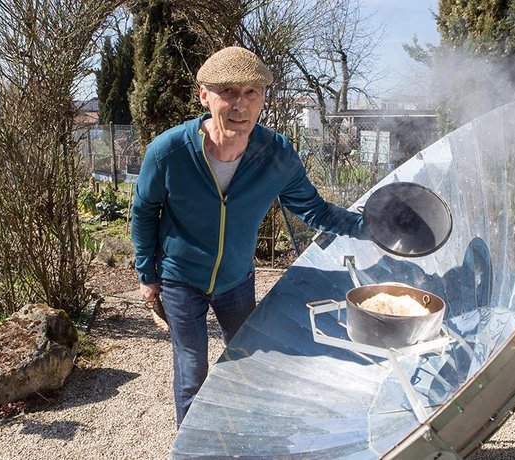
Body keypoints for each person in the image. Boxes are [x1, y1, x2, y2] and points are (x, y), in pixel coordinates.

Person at [131, 46, 366, 427]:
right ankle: (194, 451)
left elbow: (313, 209)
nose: (240, 104)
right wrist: (147, 276)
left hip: (236, 280)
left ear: (263, 99)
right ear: (204, 95)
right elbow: (143, 212)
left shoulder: (276, 154)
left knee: (248, 360)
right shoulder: (169, 152)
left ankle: (245, 435)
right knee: (191, 372)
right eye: (228, 92)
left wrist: (367, 225)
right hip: (180, 279)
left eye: (251, 92)